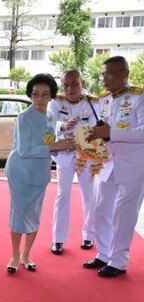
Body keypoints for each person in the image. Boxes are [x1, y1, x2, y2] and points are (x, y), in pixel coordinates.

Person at [4, 73, 75, 274]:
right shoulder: (23, 117)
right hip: (20, 173)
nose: (40, 99)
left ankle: (26, 254)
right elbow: (24, 150)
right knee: (19, 214)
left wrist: (64, 143)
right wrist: (55, 145)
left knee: (34, 215)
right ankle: (15, 254)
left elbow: (49, 142)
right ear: (30, 95)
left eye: (45, 94)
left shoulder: (52, 117)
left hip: (41, 173)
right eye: (36, 94)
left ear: (52, 95)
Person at [84, 55, 144, 278]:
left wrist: (111, 133)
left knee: (123, 213)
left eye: (109, 73)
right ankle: (104, 253)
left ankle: (118, 261)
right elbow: (105, 128)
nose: (105, 78)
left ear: (125, 73)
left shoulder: (139, 97)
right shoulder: (105, 100)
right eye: (103, 74)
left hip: (133, 165)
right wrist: (96, 134)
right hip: (109, 162)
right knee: (101, 209)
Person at [48, 70, 99, 255]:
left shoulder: (93, 102)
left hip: (85, 154)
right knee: (63, 195)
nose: (70, 88)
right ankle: (58, 239)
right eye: (65, 85)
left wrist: (78, 133)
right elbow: (49, 122)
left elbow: (95, 127)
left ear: (82, 82)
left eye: (74, 84)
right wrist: (63, 126)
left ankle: (88, 235)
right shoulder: (56, 101)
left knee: (89, 195)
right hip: (64, 155)